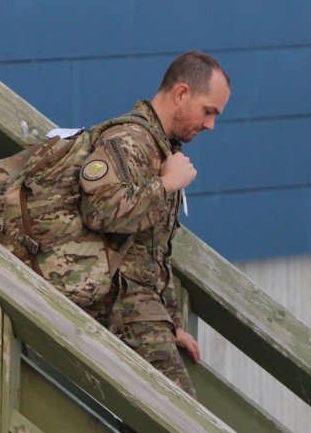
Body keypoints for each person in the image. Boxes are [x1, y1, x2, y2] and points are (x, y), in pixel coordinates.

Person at [80, 51, 231, 396]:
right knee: (180, 413)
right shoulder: (129, 140)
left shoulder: (161, 146)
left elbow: (152, 250)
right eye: (208, 111)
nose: (210, 125)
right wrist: (165, 184)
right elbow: (99, 211)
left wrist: (172, 322)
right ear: (181, 93)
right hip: (120, 307)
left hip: (141, 310)